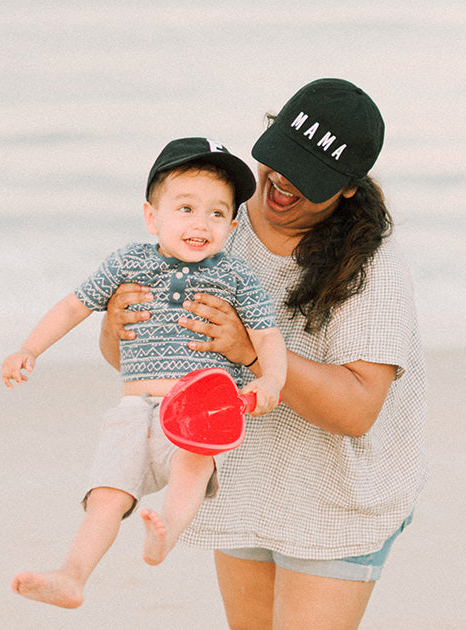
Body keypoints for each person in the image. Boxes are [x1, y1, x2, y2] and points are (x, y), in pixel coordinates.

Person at [100, 79, 427, 629]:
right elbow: (137, 356)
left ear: (348, 188)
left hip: (339, 496)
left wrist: (250, 350)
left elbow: (357, 410)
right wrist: (118, 323)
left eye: (312, 175)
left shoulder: (372, 261)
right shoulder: (218, 222)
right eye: (281, 159)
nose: (284, 183)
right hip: (246, 478)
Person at [1, 137, 288, 609]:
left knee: (194, 466)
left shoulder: (235, 275)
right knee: (106, 494)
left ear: (233, 225)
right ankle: (72, 575)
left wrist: (271, 379)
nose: (201, 223)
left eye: (217, 214)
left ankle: (166, 534)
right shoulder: (127, 262)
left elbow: (267, 336)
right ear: (153, 217)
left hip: (197, 407)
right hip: (134, 408)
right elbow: (74, 305)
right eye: (186, 208)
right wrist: (29, 347)